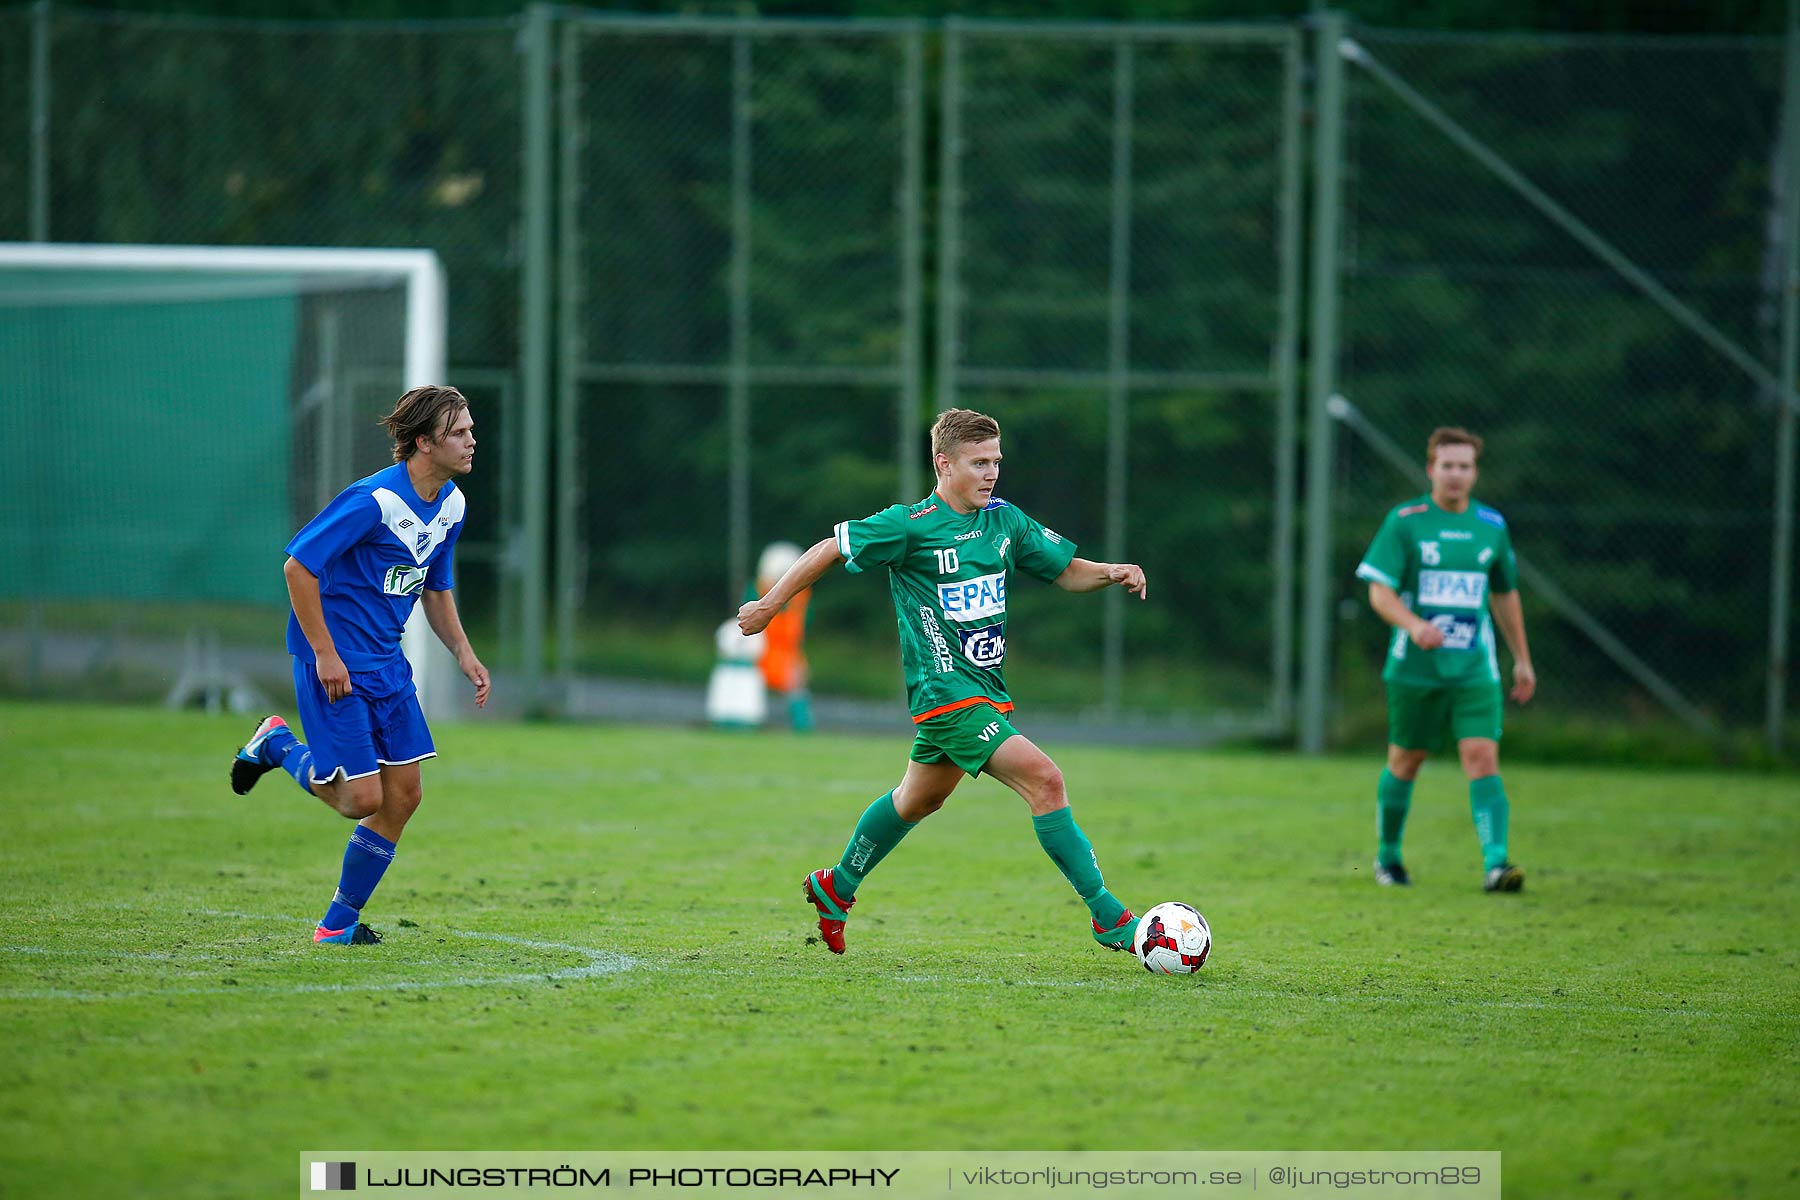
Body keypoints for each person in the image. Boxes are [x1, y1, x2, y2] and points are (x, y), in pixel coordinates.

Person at [737, 408, 1148, 954]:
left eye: (996, 461)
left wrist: (1111, 571)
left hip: (986, 693)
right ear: (943, 464)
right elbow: (830, 548)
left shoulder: (1004, 521)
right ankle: (1108, 916)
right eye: (979, 463)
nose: (991, 473)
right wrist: (770, 606)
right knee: (1045, 780)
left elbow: (1067, 572)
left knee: (915, 801)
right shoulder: (909, 525)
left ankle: (837, 886)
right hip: (948, 694)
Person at [229, 385, 491, 944]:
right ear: (423, 442)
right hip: (336, 664)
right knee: (361, 800)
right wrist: (325, 653)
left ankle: (336, 926)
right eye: (460, 432)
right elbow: (299, 569)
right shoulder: (373, 501)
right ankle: (276, 745)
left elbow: (435, 587)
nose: (473, 440)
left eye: (471, 429)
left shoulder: (452, 505)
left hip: (387, 665)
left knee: (406, 795)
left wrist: (464, 654)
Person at [1354, 426, 1535, 893]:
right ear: (1431, 468)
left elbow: (1504, 593)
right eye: (1447, 465)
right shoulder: (1406, 520)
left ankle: (1497, 865)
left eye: (1465, 466)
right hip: (1414, 669)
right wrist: (1414, 625)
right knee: (1406, 759)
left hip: (1475, 668)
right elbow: (1379, 591)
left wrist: (1522, 658)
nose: (1456, 474)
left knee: (1481, 756)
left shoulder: (1491, 526)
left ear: (1475, 473)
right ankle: (1388, 858)